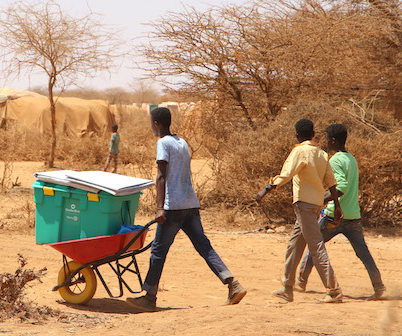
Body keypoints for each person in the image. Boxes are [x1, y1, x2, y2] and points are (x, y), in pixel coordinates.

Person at [126, 107, 246, 311]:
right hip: (190, 203)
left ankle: (149, 297)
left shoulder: (163, 143)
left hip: (173, 206)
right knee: (203, 246)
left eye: (151, 123)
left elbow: (162, 176)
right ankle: (232, 284)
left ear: (156, 124)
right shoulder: (182, 142)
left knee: (158, 250)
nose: (151, 127)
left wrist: (159, 208)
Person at [256, 118, 344, 303]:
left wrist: (266, 189)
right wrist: (337, 205)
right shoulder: (321, 154)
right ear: (313, 135)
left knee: (316, 246)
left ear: (297, 135)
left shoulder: (299, 151)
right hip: (315, 205)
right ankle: (287, 287)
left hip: (304, 204)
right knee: (294, 244)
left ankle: (334, 291)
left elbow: (286, 174)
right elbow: (331, 182)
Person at [295, 124, 385, 301]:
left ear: (334, 140)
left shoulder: (335, 160)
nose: (326, 141)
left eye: (327, 138)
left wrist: (321, 200)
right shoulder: (351, 158)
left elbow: (341, 187)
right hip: (354, 215)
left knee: (315, 247)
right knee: (363, 253)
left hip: (334, 216)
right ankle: (379, 286)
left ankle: (300, 282)